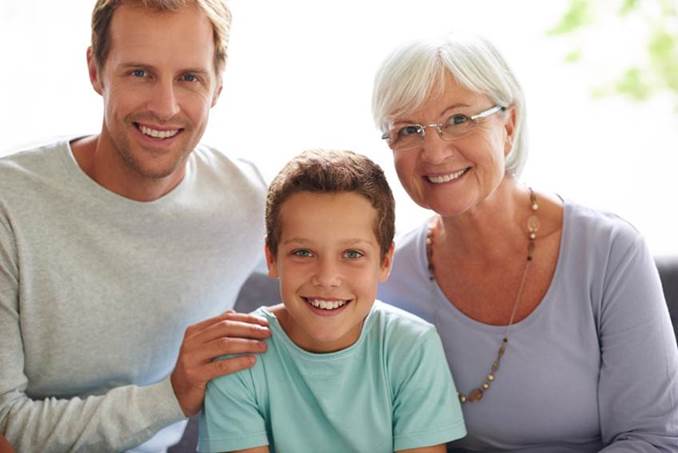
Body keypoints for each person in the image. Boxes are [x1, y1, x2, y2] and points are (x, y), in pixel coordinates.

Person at [373, 34, 678, 451]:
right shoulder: (386, 277)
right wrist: (260, 339)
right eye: (408, 129)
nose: (434, 151)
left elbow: (654, 438)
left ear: (509, 125)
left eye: (459, 119)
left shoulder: (609, 252)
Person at [0, 1, 272, 451]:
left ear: (218, 86)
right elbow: (6, 429)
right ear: (95, 70)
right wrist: (169, 397)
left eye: (189, 78)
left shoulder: (246, 200)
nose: (165, 107)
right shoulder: (10, 204)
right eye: (139, 73)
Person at [199, 150, 467, 453]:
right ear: (271, 258)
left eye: (352, 254)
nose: (327, 278)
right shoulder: (237, 356)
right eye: (303, 253)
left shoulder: (412, 347)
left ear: (385, 261)